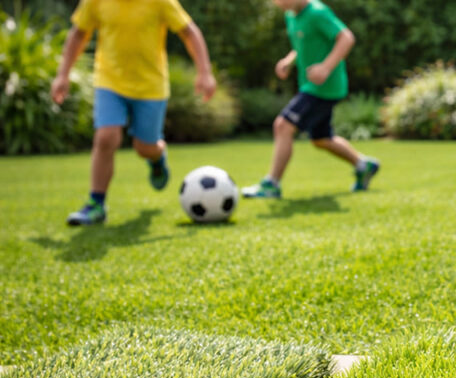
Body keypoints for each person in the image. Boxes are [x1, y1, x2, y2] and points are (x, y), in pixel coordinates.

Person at [51, 0, 216, 226]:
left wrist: (204, 72)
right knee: (106, 137)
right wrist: (63, 74)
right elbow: (79, 34)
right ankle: (96, 203)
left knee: (143, 147)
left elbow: (190, 33)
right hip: (109, 81)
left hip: (151, 87)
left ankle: (157, 156)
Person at [242, 0, 379, 199]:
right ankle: (364, 165)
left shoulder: (317, 12)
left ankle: (271, 184)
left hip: (323, 87)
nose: (277, 3)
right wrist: (289, 61)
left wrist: (325, 67)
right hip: (312, 86)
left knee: (283, 126)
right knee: (321, 139)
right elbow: (304, 43)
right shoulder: (291, 15)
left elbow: (346, 37)